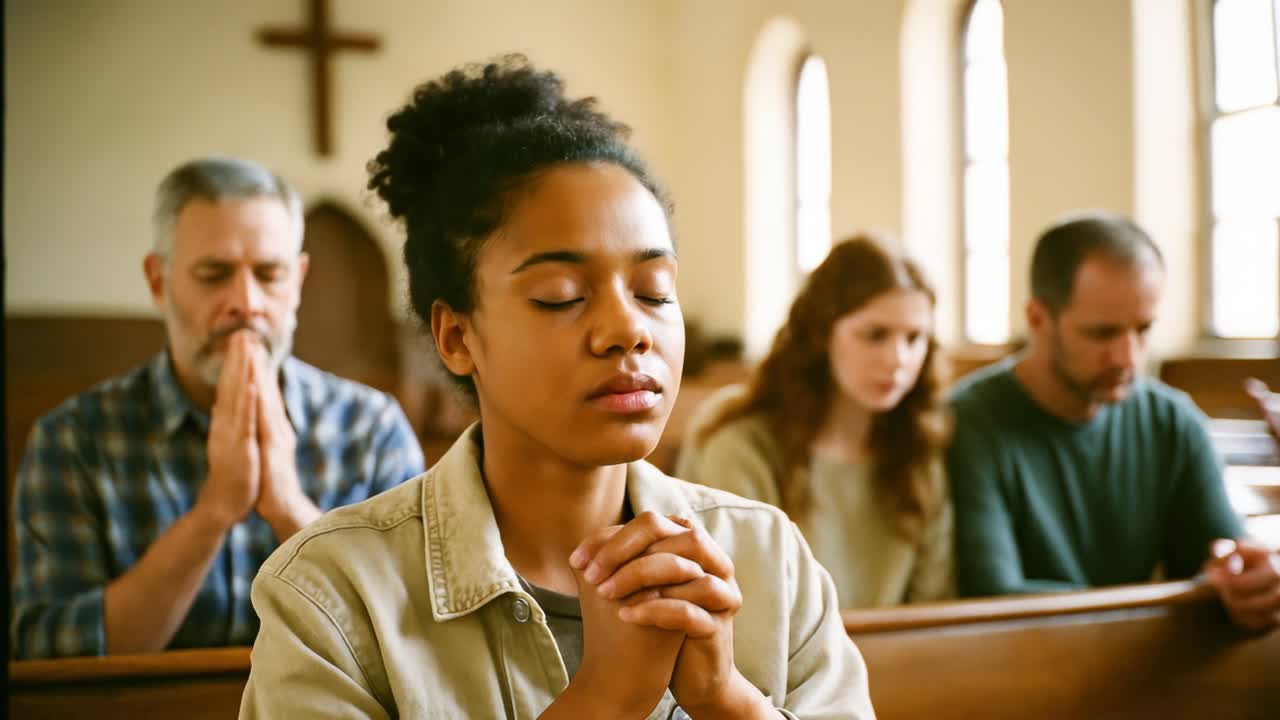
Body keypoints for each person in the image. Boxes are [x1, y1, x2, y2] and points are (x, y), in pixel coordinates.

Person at [240, 56, 873, 719]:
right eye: (560, 296)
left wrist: (727, 699)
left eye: (654, 292)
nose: (627, 331)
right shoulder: (332, 595)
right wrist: (603, 700)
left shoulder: (766, 558)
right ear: (457, 338)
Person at [10, 157, 425, 660]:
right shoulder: (72, 441)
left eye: (269, 275)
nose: (245, 302)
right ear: (158, 281)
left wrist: (289, 507)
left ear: (297, 280)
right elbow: (48, 653)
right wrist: (212, 513)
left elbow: (414, 631)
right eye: (214, 275)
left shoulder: (372, 429)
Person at [948, 210, 1280, 631]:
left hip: (1144, 675)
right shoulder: (968, 422)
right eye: (1102, 333)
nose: (1127, 357)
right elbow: (992, 596)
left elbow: (1221, 560)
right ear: (1037, 319)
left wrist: (1250, 580)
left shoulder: (1173, 421)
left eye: (1143, 329)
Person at [676, 236, 953, 608]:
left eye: (915, 337)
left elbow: (934, 611)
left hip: (899, 662)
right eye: (876, 335)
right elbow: (747, 615)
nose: (898, 359)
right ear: (821, 334)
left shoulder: (917, 451)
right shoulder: (741, 441)